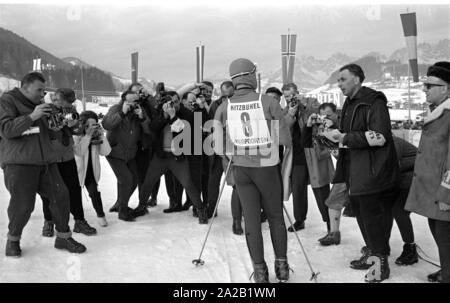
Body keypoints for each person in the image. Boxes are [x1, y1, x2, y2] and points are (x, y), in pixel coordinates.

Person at [213, 58, 292, 283]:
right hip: (266, 167)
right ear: (250, 76)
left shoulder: (224, 106)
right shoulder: (268, 101)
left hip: (242, 169)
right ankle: (282, 266)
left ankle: (260, 272)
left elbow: (218, 146)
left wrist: (233, 154)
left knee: (251, 220)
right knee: (276, 216)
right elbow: (285, 139)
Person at [321, 63, 400, 283]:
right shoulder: (349, 103)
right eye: (338, 80)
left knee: (373, 219)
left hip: (373, 172)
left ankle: (380, 264)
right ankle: (372, 253)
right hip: (354, 171)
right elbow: (350, 133)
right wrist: (333, 131)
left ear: (356, 79)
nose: (339, 84)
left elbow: (381, 136)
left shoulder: (374, 101)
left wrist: (343, 137)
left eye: (343, 79)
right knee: (362, 216)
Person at [0, 72, 86, 257]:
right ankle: (13, 240)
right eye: (39, 89)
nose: (43, 93)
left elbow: (45, 132)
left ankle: (63, 237)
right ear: (25, 87)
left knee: (61, 196)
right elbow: (6, 130)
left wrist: (58, 128)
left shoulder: (40, 105)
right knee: (23, 206)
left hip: (46, 161)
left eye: (43, 89)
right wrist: (31, 116)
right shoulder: (7, 101)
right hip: (20, 162)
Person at [405, 61, 450, 283]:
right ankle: (446, 269)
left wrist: (445, 194)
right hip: (432, 188)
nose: (425, 89)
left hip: (443, 191)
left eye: (430, 85)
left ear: (446, 88)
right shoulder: (437, 112)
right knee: (438, 231)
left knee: (445, 234)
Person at [135, 91, 209, 224]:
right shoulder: (160, 113)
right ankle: (141, 205)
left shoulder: (187, 114)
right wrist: (164, 115)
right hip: (161, 156)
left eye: (175, 102)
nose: (173, 105)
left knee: (188, 183)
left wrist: (173, 116)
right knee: (148, 182)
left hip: (178, 157)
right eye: (170, 102)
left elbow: (184, 131)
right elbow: (153, 128)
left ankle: (200, 209)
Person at [41, 88, 97, 237]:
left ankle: (79, 221)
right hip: (50, 157)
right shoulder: (46, 109)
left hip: (67, 155)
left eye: (66, 103)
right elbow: (50, 128)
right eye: (58, 101)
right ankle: (49, 221)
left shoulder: (70, 110)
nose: (58, 104)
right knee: (49, 192)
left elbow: (78, 131)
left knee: (74, 189)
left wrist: (75, 125)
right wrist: (61, 122)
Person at [283, 84, 333, 234]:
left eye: (291, 95)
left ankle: (330, 222)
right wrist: (291, 113)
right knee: (298, 189)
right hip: (297, 155)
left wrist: (303, 103)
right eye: (286, 97)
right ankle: (299, 219)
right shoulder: (286, 110)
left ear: (297, 93)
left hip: (314, 152)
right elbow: (283, 128)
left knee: (321, 188)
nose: (289, 99)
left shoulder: (311, 102)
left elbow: (320, 116)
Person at [102, 90, 152, 222]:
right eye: (130, 101)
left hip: (130, 153)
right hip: (115, 152)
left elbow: (148, 130)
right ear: (123, 100)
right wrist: (121, 113)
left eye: (136, 101)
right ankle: (123, 211)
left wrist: (142, 118)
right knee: (127, 179)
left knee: (134, 180)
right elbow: (106, 124)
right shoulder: (116, 109)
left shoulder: (139, 111)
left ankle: (120, 204)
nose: (133, 104)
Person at [73, 110, 112, 227]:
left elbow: (106, 152)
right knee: (73, 196)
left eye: (94, 124)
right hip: (76, 171)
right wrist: (87, 136)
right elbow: (79, 152)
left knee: (94, 193)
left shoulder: (96, 135)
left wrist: (101, 135)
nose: (91, 127)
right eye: (88, 125)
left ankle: (101, 215)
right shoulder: (75, 135)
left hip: (91, 170)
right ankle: (77, 220)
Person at [206, 80, 236, 219]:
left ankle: (238, 214)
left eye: (229, 95)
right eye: (224, 95)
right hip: (217, 151)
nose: (226, 98)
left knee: (236, 183)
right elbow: (211, 124)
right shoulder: (216, 105)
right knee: (213, 181)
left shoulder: (238, 105)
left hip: (232, 151)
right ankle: (211, 209)